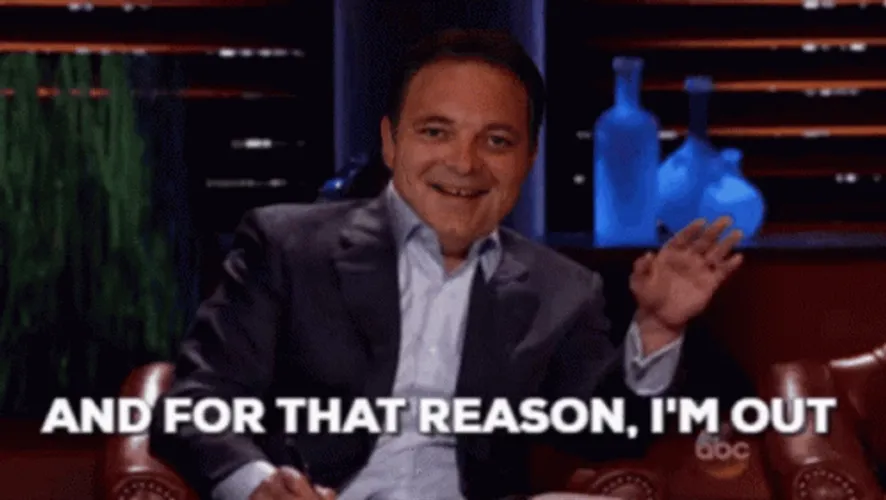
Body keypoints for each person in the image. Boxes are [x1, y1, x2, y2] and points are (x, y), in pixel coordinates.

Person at [149, 28, 744, 500]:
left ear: (529, 158)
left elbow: (605, 430)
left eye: (497, 141)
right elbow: (197, 402)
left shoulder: (561, 288)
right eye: (436, 132)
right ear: (391, 142)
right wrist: (258, 486)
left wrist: (658, 328)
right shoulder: (287, 247)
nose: (464, 163)